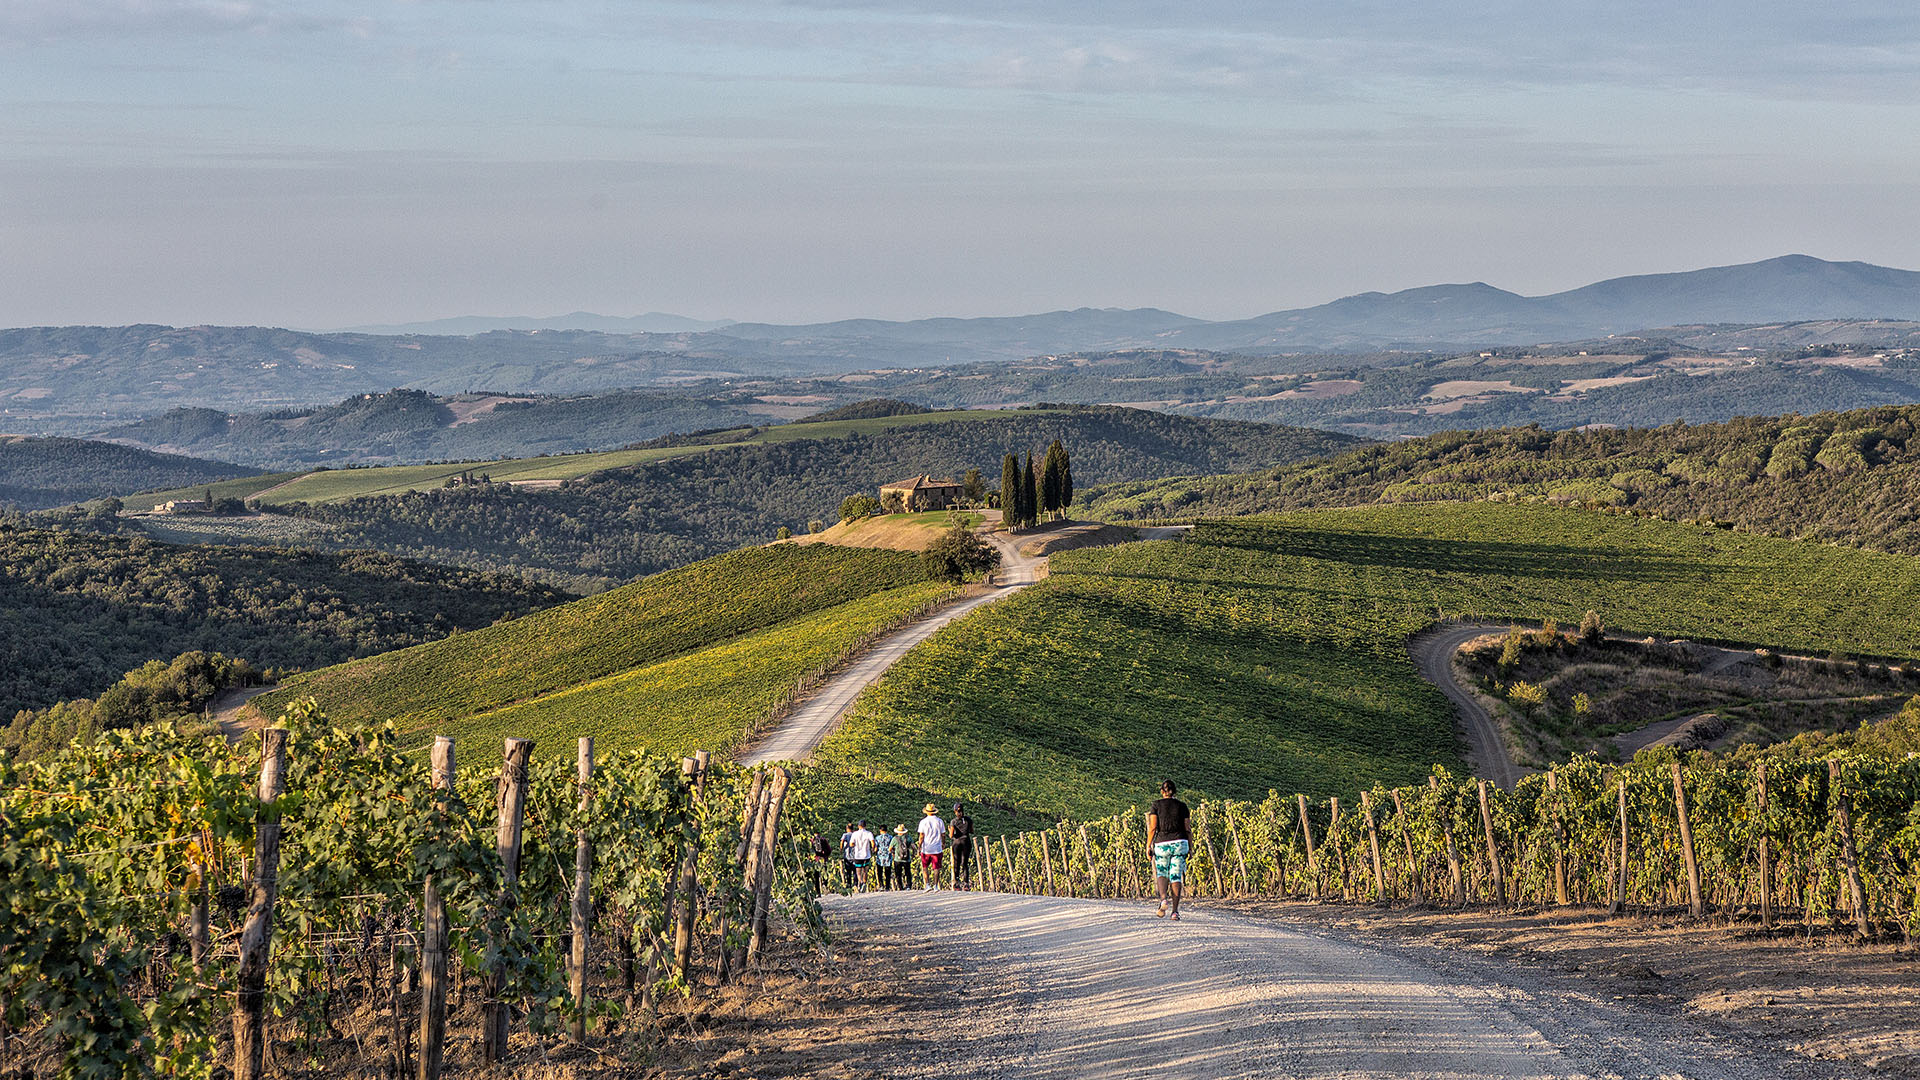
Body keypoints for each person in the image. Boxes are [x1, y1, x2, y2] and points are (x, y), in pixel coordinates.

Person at [1146, 779, 1192, 920]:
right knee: (1176, 876)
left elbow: (1153, 828)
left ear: (1162, 791)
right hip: (1180, 842)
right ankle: (1175, 911)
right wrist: (1190, 847)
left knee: (1162, 873)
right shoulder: (1182, 806)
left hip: (1162, 844)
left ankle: (1164, 899)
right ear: (1174, 792)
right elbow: (1188, 829)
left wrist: (1148, 845)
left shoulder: (1156, 805)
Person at [916, 802, 948, 891]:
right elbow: (943, 834)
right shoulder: (939, 821)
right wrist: (943, 843)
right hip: (937, 848)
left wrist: (919, 846)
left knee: (925, 867)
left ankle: (927, 884)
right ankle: (936, 885)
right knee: (936, 867)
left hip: (926, 848)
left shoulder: (923, 822)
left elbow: (921, 836)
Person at [949, 801, 976, 891]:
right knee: (965, 863)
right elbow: (972, 831)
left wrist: (949, 829)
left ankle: (956, 883)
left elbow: (951, 835)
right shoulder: (968, 820)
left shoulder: (953, 821)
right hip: (966, 842)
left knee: (956, 862)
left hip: (956, 843)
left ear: (955, 811)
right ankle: (966, 883)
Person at [848, 820, 877, 891]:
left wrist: (856, 845)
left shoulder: (854, 834)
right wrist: (873, 848)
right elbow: (873, 843)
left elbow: (851, 844)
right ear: (865, 826)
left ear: (858, 826)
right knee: (865, 871)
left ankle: (860, 882)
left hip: (857, 855)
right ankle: (864, 883)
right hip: (866, 855)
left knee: (858, 872)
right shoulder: (869, 833)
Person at [806, 829, 832, 895]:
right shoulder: (823, 840)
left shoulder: (810, 841)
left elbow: (808, 851)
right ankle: (824, 886)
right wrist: (825, 855)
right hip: (823, 859)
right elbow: (829, 850)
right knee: (824, 874)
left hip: (815, 860)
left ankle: (818, 892)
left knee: (816, 877)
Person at [892, 824, 915, 890]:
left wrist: (893, 853)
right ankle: (908, 886)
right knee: (908, 872)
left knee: (898, 874)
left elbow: (890, 848)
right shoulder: (908, 838)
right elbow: (913, 847)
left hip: (897, 859)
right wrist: (913, 854)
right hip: (907, 859)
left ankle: (900, 887)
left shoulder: (895, 838)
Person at [839, 821, 857, 892]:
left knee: (848, 871)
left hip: (847, 855)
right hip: (855, 855)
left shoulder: (845, 835)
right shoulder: (855, 835)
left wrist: (841, 849)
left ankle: (849, 885)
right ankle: (855, 884)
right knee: (855, 871)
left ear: (847, 828)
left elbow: (842, 841)